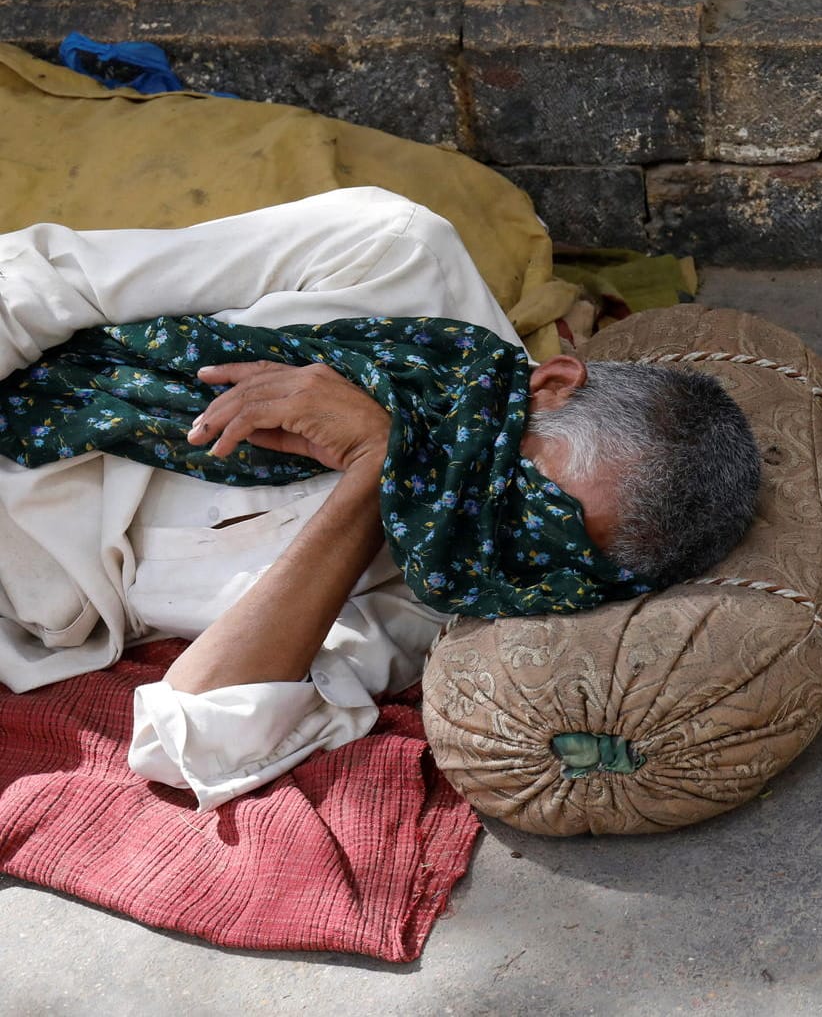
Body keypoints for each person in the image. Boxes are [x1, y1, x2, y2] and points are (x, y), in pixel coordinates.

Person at [0, 188, 761, 809]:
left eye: (528, 545)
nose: (478, 525)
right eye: (519, 487)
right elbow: (41, 283)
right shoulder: (391, 256)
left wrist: (378, 473)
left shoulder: (449, 585)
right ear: (552, 385)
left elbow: (191, 737)